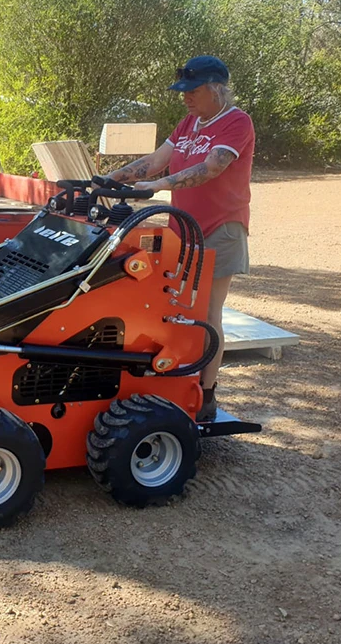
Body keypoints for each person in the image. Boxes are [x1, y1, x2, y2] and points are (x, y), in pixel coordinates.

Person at [101, 55, 255, 420]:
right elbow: (155, 161)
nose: (185, 97)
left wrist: (160, 185)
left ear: (217, 89)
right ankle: (174, 380)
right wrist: (110, 178)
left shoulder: (236, 122)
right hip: (182, 228)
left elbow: (212, 167)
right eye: (183, 91)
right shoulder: (190, 122)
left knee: (207, 310)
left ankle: (206, 392)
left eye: (193, 90)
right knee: (176, 305)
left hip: (221, 227)